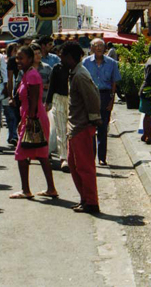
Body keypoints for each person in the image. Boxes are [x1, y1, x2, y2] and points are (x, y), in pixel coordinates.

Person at [9, 46, 57, 199]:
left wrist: (29, 119)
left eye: (21, 58)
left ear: (30, 59)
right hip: (31, 117)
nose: (18, 61)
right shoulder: (26, 74)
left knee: (21, 154)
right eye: (17, 58)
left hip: (34, 118)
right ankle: (51, 188)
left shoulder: (32, 76)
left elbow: (34, 99)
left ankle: (26, 190)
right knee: (41, 154)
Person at [61, 41, 101, 214]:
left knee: (84, 167)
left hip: (82, 127)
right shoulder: (75, 73)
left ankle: (91, 202)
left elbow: (93, 98)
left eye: (63, 56)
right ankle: (85, 199)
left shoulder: (80, 75)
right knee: (74, 165)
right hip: (75, 127)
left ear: (70, 57)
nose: (60, 59)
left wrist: (93, 121)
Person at [83, 38, 121, 165]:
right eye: (96, 45)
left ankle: (102, 157)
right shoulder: (85, 62)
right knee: (90, 129)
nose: (98, 48)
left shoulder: (112, 63)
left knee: (103, 128)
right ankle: (91, 156)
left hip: (105, 96)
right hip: (90, 97)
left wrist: (112, 101)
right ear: (92, 48)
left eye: (101, 45)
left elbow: (114, 82)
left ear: (105, 48)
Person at [46, 53, 70, 172]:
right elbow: (52, 86)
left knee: (70, 131)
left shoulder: (78, 69)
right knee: (61, 130)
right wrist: (48, 102)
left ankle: (71, 157)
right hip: (58, 99)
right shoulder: (57, 68)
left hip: (72, 101)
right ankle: (63, 159)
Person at [4, 43, 20, 146]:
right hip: (9, 92)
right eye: (14, 50)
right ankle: (13, 136)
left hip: (18, 91)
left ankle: (13, 136)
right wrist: (10, 95)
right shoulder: (8, 61)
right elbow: (9, 79)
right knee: (11, 116)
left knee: (15, 117)